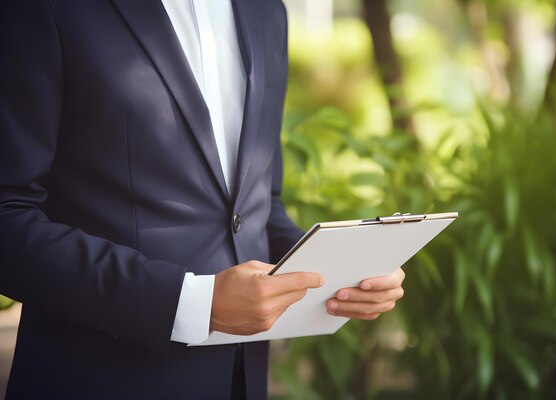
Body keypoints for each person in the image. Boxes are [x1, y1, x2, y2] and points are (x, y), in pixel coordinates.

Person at [0, 1, 405, 399]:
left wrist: (342, 273)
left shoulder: (267, 13)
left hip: (240, 380)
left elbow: (255, 210)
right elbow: (7, 218)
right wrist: (191, 304)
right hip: (97, 378)